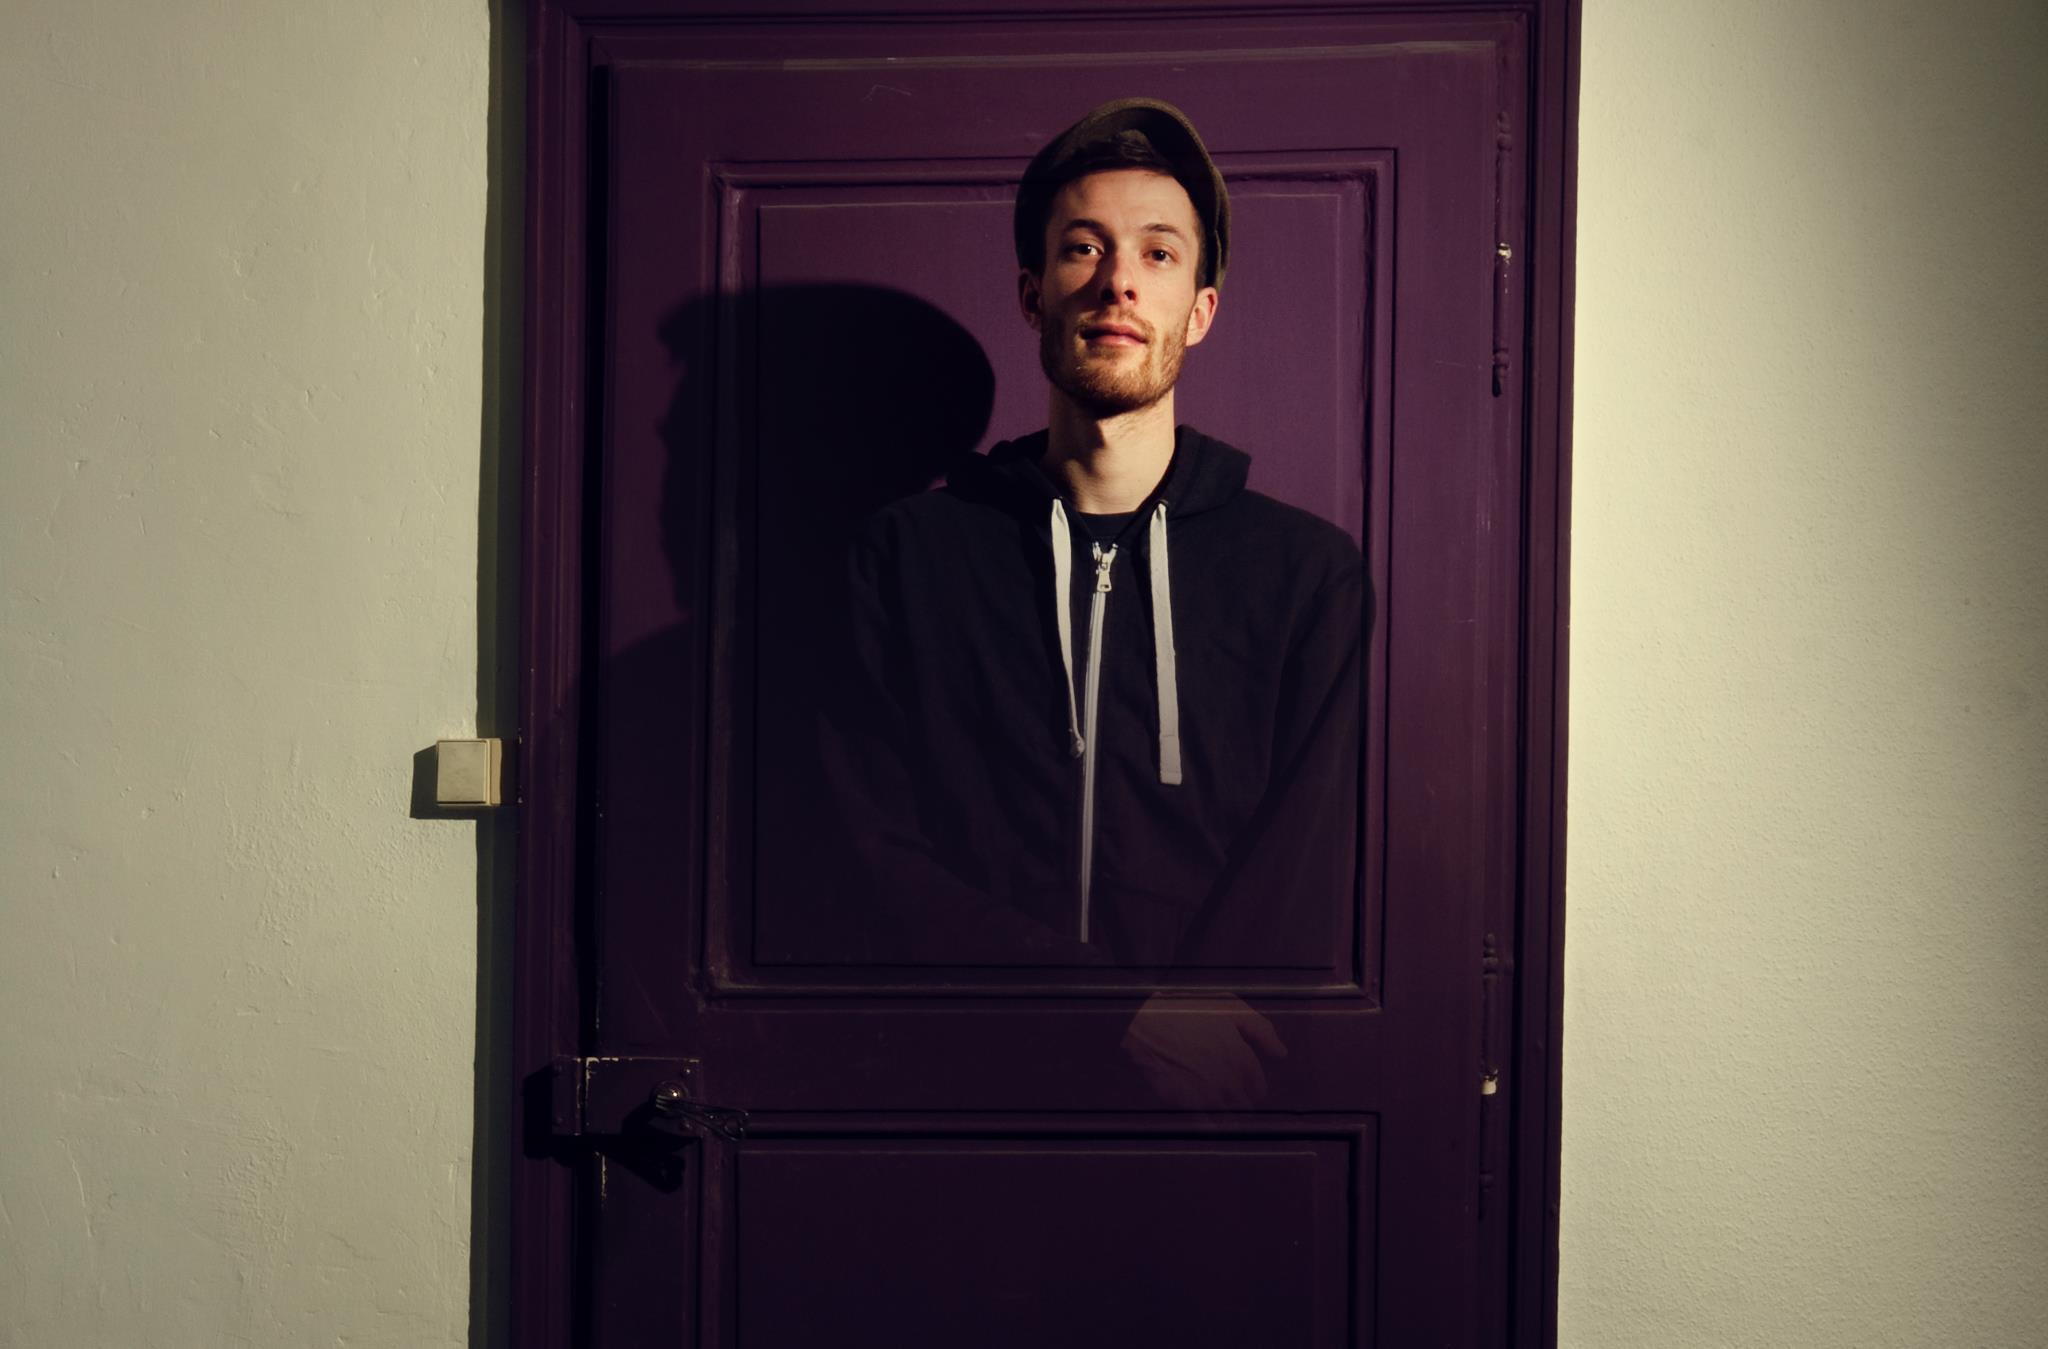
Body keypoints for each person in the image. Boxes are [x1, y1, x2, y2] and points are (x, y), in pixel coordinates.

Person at [821, 98, 1366, 997]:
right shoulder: (904, 558)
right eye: (1083, 247)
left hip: (1223, 1063)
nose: (1119, 282)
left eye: (1159, 254)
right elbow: (867, 844)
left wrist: (1196, 1020)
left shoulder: (1307, 575)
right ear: (1032, 294)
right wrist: (1108, 1013)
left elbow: (1308, 853)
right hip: (960, 1056)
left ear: (1200, 311)